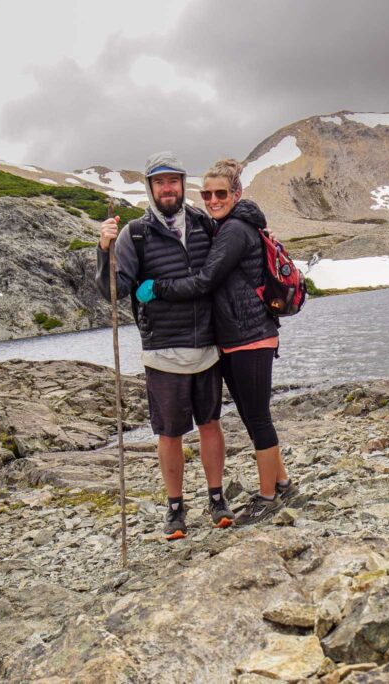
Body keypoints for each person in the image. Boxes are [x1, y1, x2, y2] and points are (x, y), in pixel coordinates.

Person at [136, 159, 296, 527]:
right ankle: (282, 482)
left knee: (257, 418)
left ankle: (268, 497)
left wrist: (158, 288)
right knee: (254, 415)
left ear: (236, 194)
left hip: (249, 337)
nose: (212, 199)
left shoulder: (234, 230)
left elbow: (206, 280)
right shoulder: (228, 225)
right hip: (239, 337)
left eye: (220, 193)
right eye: (206, 194)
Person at [96, 151, 234, 540]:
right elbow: (115, 290)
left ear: (182, 183)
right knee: (169, 432)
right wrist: (103, 250)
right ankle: (175, 509)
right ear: (150, 187)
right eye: (160, 182)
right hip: (162, 351)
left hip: (207, 346)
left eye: (173, 180)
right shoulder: (134, 234)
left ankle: (217, 498)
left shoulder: (205, 224)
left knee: (210, 424)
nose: (168, 188)